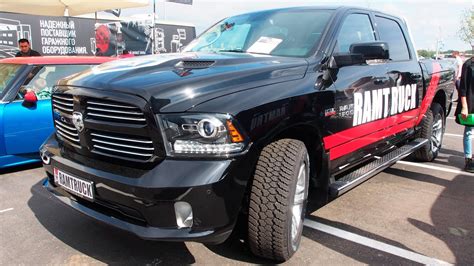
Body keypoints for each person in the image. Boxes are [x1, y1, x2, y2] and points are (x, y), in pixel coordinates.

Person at [454, 56, 474, 172]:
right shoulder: (468, 64)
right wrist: (465, 107)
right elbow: (463, 88)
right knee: (469, 131)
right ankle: (468, 159)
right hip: (471, 103)